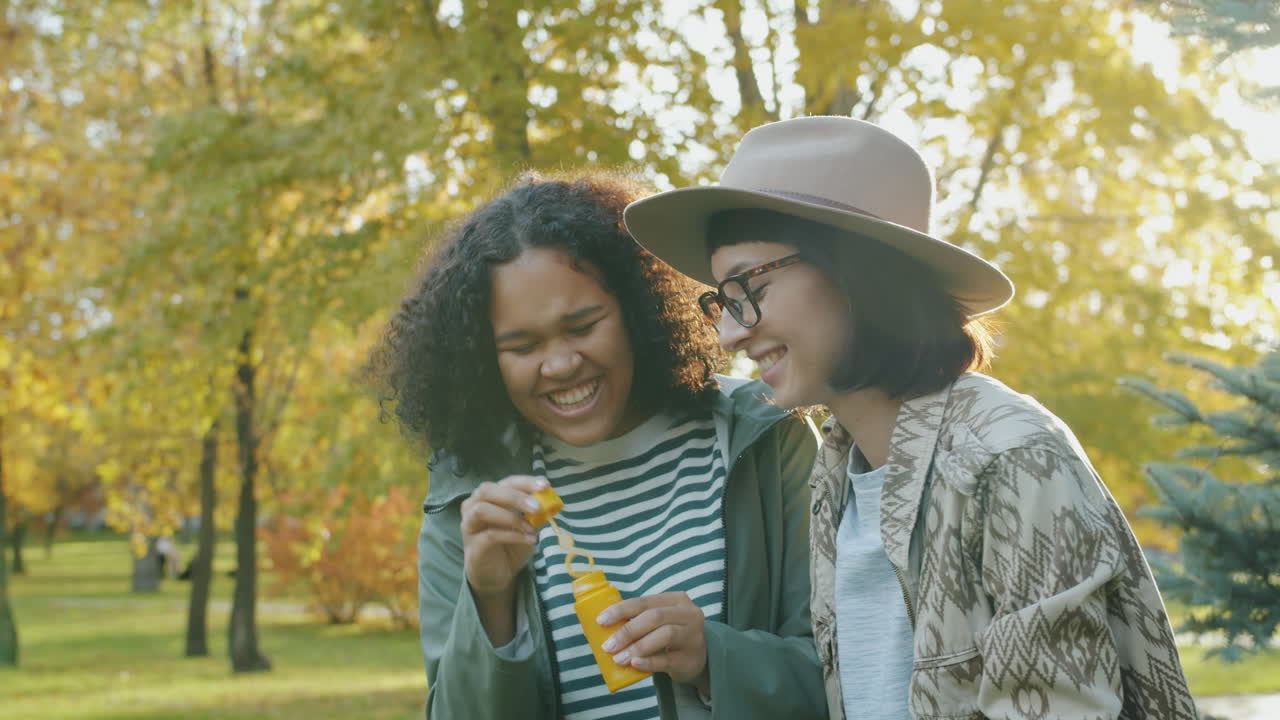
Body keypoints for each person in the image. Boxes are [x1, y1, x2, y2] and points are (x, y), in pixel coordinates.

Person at [624, 117, 1198, 720]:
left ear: (857, 271)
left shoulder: (1009, 459)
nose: (730, 333)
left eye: (749, 288)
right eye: (721, 300)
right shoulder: (836, 476)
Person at [366, 170, 826, 720]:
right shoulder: (468, 497)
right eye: (521, 345)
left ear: (635, 307)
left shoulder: (766, 437)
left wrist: (712, 659)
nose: (560, 364)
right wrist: (489, 597)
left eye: (583, 326)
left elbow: (850, 675)